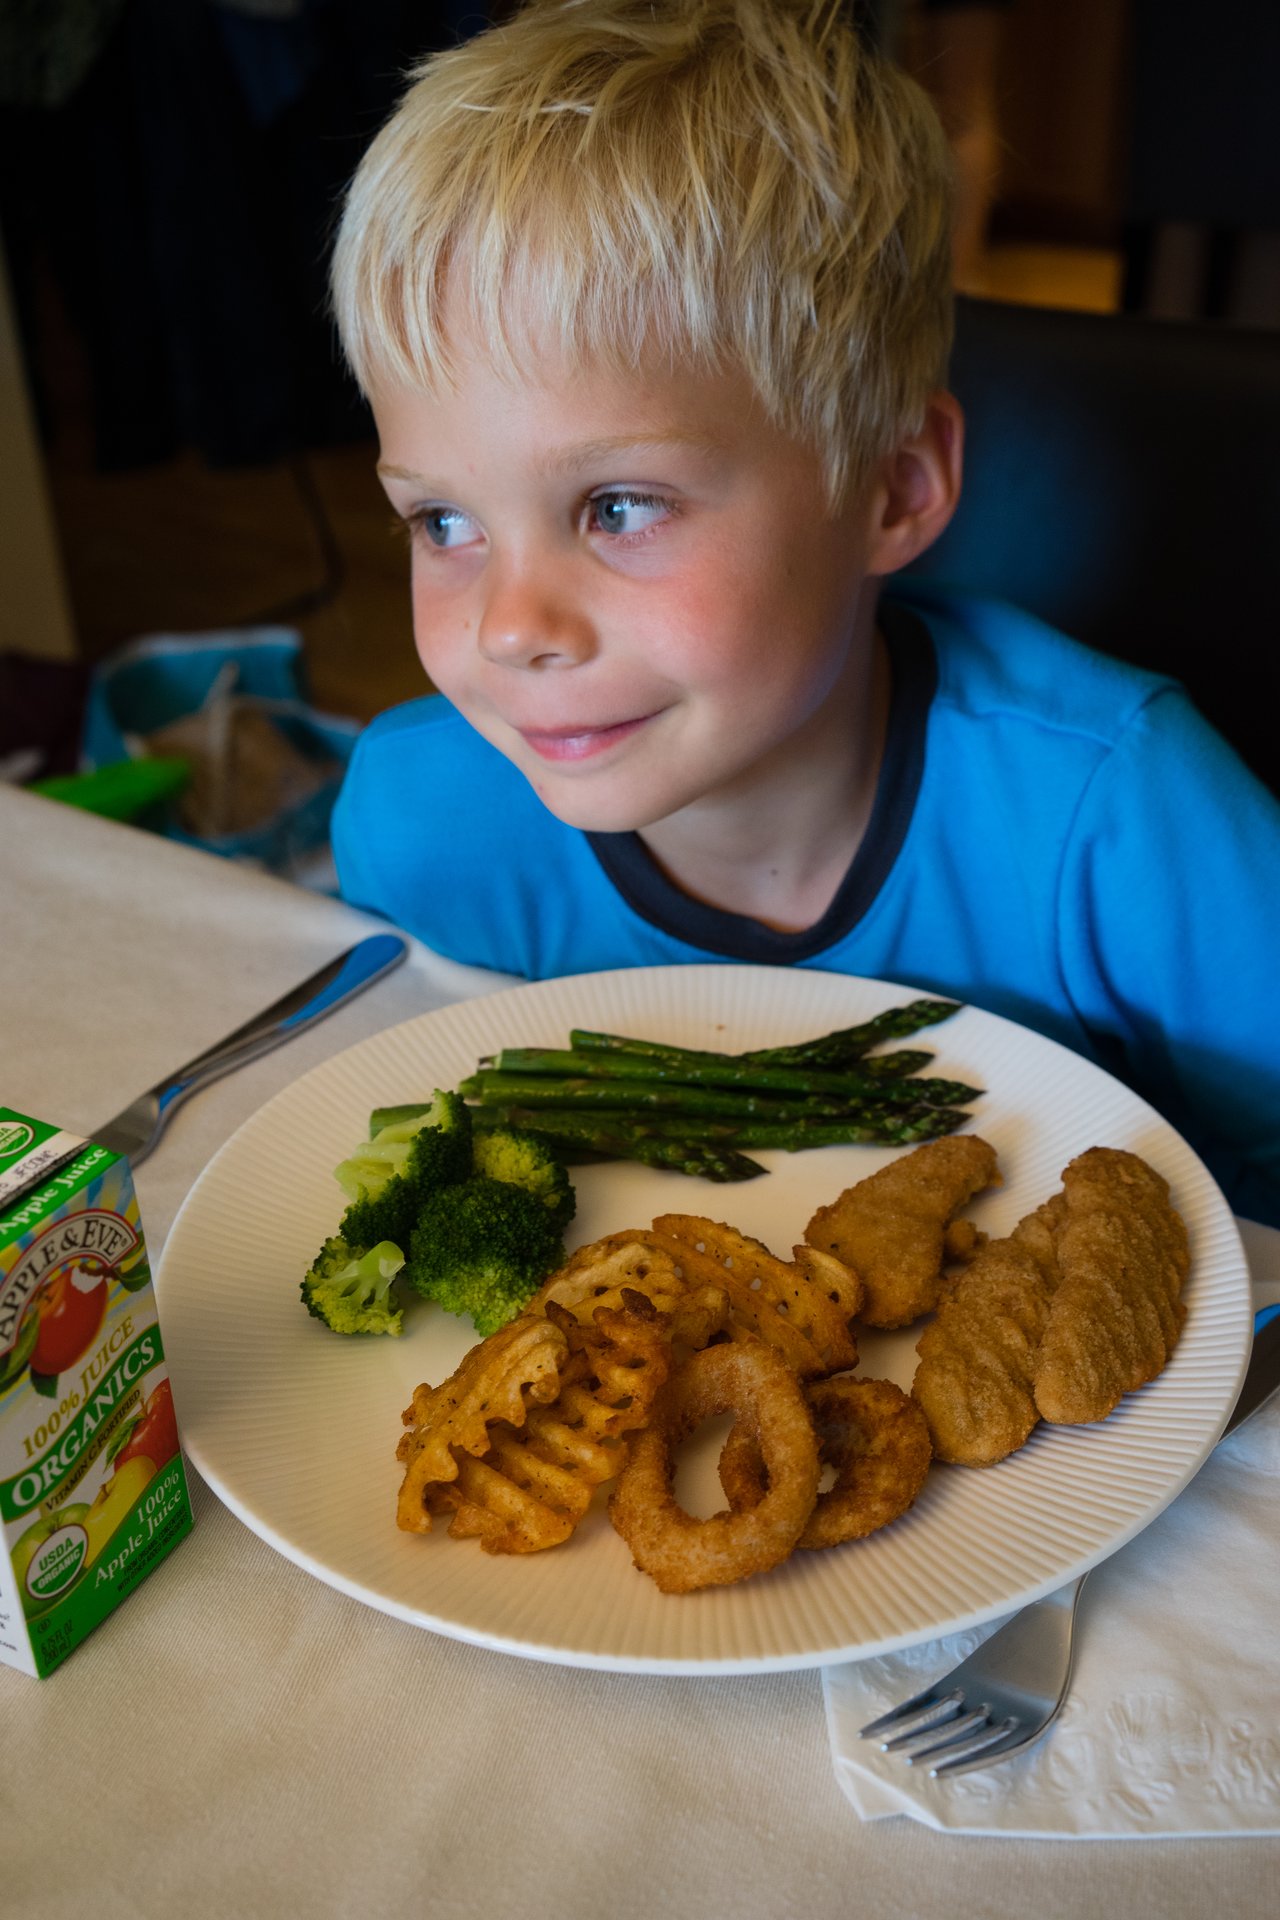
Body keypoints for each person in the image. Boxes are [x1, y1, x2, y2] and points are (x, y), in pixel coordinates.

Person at [328, 0, 1280, 1225]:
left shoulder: (1129, 824)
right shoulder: (418, 828)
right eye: (441, 524)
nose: (511, 628)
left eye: (618, 507)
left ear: (892, 486)